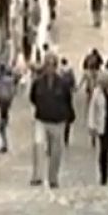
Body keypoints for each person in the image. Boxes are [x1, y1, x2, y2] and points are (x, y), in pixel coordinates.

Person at [29, 54, 71, 188]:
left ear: (56, 66)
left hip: (57, 121)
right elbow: (32, 97)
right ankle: (37, 176)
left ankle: (53, 178)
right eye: (47, 64)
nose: (49, 68)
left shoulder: (62, 83)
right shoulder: (38, 82)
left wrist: (66, 115)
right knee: (38, 145)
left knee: (56, 151)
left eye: (52, 65)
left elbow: (67, 100)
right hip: (41, 119)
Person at [0, 60, 17, 153]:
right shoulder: (10, 78)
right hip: (6, 104)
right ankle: (4, 143)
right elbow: (13, 91)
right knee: (2, 123)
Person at [60, 58, 78, 145]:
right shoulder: (70, 71)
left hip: (60, 100)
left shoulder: (60, 72)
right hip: (67, 100)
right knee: (67, 121)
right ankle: (65, 138)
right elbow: (73, 82)